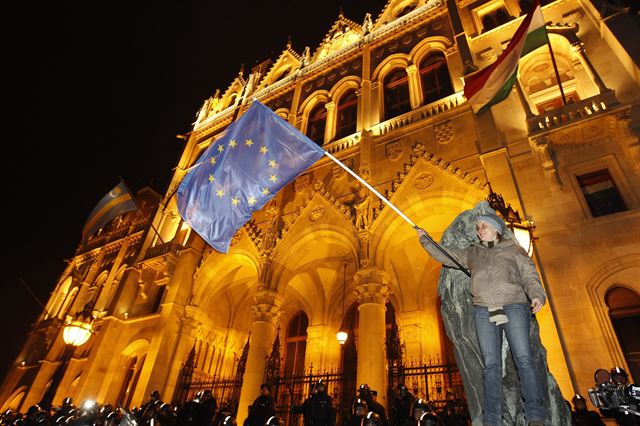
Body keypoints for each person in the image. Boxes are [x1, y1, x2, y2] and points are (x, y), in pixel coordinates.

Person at [417, 211, 547, 426]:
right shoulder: (473, 253)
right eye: (478, 228)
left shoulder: (513, 250)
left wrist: (537, 294)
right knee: (491, 364)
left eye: (483, 226)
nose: (479, 230)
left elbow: (529, 274)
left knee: (523, 358)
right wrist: (425, 239)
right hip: (485, 310)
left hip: (513, 306)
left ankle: (535, 414)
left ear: (496, 228)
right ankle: (492, 418)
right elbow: (445, 255)